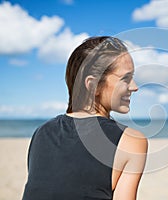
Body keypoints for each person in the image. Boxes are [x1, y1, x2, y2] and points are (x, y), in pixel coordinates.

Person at [22, 36, 148, 200]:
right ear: (93, 85)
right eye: (126, 78)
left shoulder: (41, 132)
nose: (135, 87)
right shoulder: (131, 141)